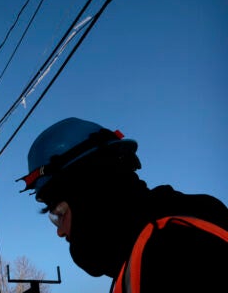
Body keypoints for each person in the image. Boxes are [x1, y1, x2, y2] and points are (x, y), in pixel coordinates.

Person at [19, 117, 228, 293]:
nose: (60, 232)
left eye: (59, 213)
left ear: (92, 191)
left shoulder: (177, 248)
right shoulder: (138, 257)